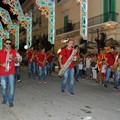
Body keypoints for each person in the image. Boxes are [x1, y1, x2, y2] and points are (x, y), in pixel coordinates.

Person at [0, 39, 18, 107]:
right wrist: (2, 65)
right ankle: (4, 98)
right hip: (2, 72)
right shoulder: (0, 52)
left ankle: (10, 101)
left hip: (11, 72)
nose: (8, 45)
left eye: (10, 44)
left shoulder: (13, 51)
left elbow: (16, 61)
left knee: (12, 87)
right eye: (7, 43)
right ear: (4, 44)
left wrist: (12, 58)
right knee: (4, 87)